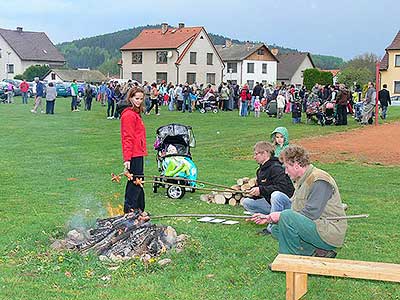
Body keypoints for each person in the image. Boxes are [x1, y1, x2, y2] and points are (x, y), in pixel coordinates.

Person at [249, 145, 348, 257]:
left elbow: (311, 213)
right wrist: (269, 218)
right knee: (277, 229)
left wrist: (281, 216)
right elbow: (295, 209)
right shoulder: (302, 180)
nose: (285, 172)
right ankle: (312, 251)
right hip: (317, 226)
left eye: (286, 167)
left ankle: (288, 260)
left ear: (296, 165)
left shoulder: (319, 179)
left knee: (286, 217)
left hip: (329, 231)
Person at [242, 141, 294, 235]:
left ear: (265, 153)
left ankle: (272, 228)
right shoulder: (260, 170)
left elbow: (283, 188)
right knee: (247, 202)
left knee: (276, 195)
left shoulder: (276, 168)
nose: (254, 157)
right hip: (271, 203)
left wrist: (261, 190)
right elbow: (264, 189)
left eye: (256, 154)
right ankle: (267, 217)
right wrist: (254, 193)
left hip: (288, 205)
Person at [117, 86, 147, 213]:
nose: (139, 101)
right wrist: (127, 158)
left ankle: (139, 209)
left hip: (138, 152)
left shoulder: (135, 113)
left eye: (141, 99)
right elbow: (127, 137)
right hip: (133, 154)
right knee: (134, 182)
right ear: (130, 98)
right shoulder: (129, 115)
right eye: (136, 98)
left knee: (139, 181)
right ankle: (130, 209)